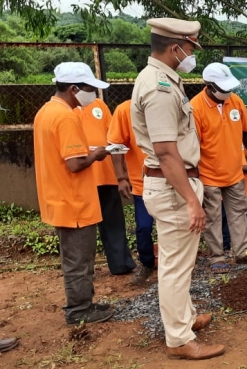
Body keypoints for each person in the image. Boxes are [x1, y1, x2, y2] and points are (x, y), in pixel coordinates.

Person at [131, 18, 224, 360]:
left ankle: (183, 320)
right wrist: (191, 201)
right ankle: (179, 340)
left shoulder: (163, 80)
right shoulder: (159, 87)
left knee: (180, 262)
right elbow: (168, 154)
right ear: (175, 48)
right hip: (173, 187)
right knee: (174, 267)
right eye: (191, 47)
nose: (192, 54)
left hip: (173, 184)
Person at [34, 62, 114, 325]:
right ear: (73, 88)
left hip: (59, 197)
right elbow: (74, 164)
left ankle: (85, 303)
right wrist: (97, 154)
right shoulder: (66, 117)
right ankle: (79, 311)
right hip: (73, 201)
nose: (92, 95)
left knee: (78, 257)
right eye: (89, 89)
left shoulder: (46, 112)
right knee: (78, 260)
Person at [192, 62, 247, 273]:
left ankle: (241, 254)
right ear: (209, 85)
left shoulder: (235, 101)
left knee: (239, 213)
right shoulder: (195, 108)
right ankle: (217, 256)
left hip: (235, 172)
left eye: (229, 88)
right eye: (223, 89)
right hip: (208, 174)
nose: (228, 92)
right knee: (212, 217)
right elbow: (191, 145)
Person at [75, 97, 137, 275]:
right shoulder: (64, 111)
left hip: (106, 175)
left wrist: (121, 176)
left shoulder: (99, 105)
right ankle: (82, 271)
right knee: (83, 228)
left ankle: (121, 264)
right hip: (82, 178)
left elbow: (114, 138)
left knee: (114, 222)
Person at [107, 100, 158, 286]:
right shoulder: (124, 110)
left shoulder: (166, 104)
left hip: (170, 181)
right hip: (142, 182)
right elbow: (116, 145)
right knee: (144, 227)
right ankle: (146, 263)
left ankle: (174, 265)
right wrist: (121, 178)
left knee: (172, 225)